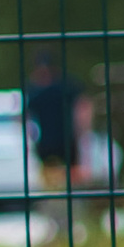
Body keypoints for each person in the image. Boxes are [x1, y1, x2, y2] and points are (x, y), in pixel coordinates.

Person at [23, 53, 83, 189]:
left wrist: (81, 131)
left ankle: (71, 194)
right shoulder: (34, 89)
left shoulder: (65, 85)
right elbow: (26, 115)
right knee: (48, 176)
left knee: (71, 175)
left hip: (66, 138)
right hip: (45, 141)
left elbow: (81, 106)